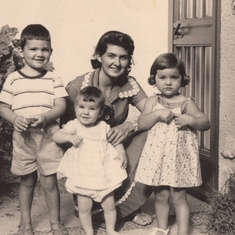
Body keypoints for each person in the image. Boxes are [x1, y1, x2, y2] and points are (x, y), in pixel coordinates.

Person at [60, 30, 153, 226]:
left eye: (123, 57)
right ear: (98, 56)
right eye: (111, 55)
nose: (117, 63)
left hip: (113, 148)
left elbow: (151, 111)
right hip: (86, 157)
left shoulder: (129, 84)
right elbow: (64, 130)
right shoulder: (78, 87)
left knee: (153, 132)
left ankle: (129, 206)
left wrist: (130, 125)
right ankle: (94, 206)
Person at [0, 24, 68, 235]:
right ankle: (25, 224)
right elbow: (3, 106)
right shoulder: (13, 79)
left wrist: (46, 117)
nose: (39, 54)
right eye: (33, 49)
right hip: (23, 138)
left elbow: (61, 106)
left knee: (49, 183)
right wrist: (15, 118)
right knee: (27, 181)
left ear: (50, 51)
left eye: (44, 49)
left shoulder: (53, 78)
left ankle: (55, 223)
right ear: (21, 50)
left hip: (47, 138)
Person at [134, 53, 211, 235]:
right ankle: (162, 228)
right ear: (154, 79)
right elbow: (142, 123)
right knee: (160, 196)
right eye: (162, 77)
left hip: (178, 161)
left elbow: (205, 123)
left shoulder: (186, 103)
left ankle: (182, 231)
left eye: (174, 77)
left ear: (182, 79)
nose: (168, 82)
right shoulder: (153, 102)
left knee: (178, 197)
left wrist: (190, 120)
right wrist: (156, 114)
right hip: (158, 159)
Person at [53, 86, 127, 235]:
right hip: (83, 175)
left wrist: (121, 152)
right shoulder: (74, 125)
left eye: (92, 108)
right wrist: (68, 137)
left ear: (100, 112)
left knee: (109, 205)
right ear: (75, 108)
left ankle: (111, 229)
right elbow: (56, 135)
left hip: (102, 174)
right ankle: (89, 231)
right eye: (81, 107)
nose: (85, 112)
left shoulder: (103, 127)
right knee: (84, 207)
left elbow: (115, 141)